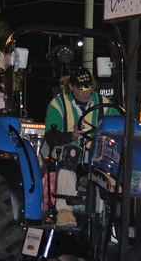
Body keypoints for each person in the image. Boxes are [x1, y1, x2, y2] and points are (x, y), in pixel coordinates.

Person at [44, 67, 119, 228]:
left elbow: (118, 128)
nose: (85, 93)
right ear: (71, 87)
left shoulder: (105, 105)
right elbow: (50, 136)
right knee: (71, 153)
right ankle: (64, 209)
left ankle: (105, 210)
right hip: (68, 151)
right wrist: (70, 136)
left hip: (95, 153)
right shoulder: (58, 104)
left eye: (88, 88)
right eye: (81, 89)